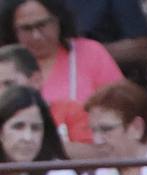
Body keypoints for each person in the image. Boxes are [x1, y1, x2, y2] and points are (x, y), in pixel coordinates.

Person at [18, 0, 121, 146]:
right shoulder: (5, 63)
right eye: (26, 28)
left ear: (59, 19)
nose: (36, 36)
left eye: (43, 25)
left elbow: (122, 112)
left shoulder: (91, 53)